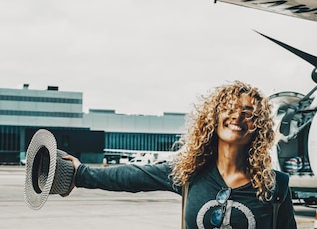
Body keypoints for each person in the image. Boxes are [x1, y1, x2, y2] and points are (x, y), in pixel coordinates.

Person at [64, 81, 297, 229]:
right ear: (214, 119)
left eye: (248, 113)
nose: (237, 116)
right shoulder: (189, 174)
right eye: (229, 109)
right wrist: (80, 174)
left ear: (259, 127)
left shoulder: (276, 186)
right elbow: (132, 176)